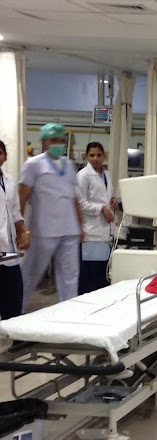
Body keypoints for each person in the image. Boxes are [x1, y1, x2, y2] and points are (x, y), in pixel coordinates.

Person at [18, 123, 83, 311]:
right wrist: (20, 228)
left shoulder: (69, 165)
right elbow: (22, 197)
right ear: (44, 142)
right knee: (31, 274)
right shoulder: (33, 164)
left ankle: (67, 315)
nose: (58, 144)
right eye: (54, 140)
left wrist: (80, 226)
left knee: (70, 276)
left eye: (61, 140)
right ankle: (16, 311)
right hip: (43, 230)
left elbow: (74, 198)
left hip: (69, 229)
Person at [77, 141, 117, 294]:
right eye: (92, 155)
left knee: (103, 274)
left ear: (104, 156)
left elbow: (106, 194)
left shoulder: (106, 174)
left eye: (99, 155)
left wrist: (112, 199)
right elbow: (79, 203)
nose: (95, 158)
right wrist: (101, 209)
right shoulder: (83, 176)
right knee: (91, 277)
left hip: (105, 232)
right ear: (86, 156)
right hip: (91, 233)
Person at [0, 139, 31, 319]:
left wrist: (24, 231)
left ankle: (10, 332)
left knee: (13, 302)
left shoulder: (10, 181)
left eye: (0, 153)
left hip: (9, 251)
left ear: (5, 156)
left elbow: (15, 212)